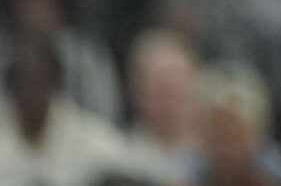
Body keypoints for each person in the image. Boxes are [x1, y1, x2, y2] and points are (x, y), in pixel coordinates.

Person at [0, 38, 162, 185]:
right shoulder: (4, 143)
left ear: (56, 84)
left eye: (40, 83)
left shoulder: (93, 140)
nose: (32, 93)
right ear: (10, 87)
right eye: (24, 84)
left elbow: (137, 171)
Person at [194, 64, 281, 186]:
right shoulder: (190, 177)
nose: (227, 152)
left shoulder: (277, 178)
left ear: (257, 137)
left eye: (236, 139)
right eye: (220, 139)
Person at [122, 31, 199, 181]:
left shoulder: (213, 157)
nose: (171, 103)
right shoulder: (120, 153)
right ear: (138, 92)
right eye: (163, 91)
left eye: (178, 89)